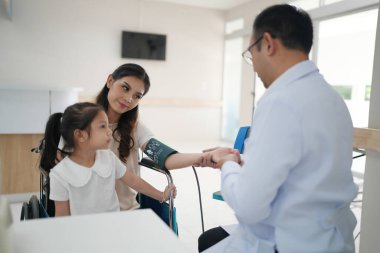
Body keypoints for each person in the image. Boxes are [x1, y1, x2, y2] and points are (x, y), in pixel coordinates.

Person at [198, 4, 358, 253]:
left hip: (286, 243)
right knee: (210, 239)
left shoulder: (280, 101)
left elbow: (248, 206)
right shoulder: (332, 98)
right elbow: (304, 167)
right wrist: (244, 161)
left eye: (252, 53)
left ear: (268, 44)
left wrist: (227, 163)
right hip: (330, 240)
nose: (253, 65)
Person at [96, 63, 226, 210]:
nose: (129, 99)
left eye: (137, 96)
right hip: (87, 213)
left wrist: (205, 156)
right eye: (125, 88)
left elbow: (165, 157)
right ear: (110, 81)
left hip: (127, 212)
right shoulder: (80, 122)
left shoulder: (135, 129)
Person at [39, 102, 176, 216]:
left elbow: (133, 181)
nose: (109, 130)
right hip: (84, 236)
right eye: (102, 126)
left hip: (114, 226)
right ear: (80, 135)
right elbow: (62, 218)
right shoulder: (60, 174)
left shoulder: (108, 157)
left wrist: (162, 195)